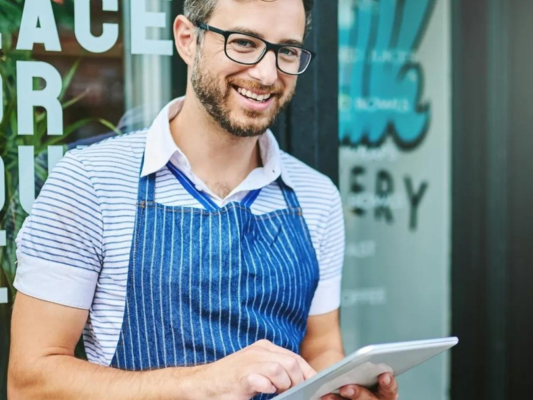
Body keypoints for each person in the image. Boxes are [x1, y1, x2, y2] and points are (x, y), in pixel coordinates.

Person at [8, 0, 399, 399]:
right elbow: (30, 382)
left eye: (287, 50)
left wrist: (344, 389)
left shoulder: (317, 196)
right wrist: (206, 383)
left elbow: (320, 349)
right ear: (187, 40)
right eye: (244, 42)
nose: (266, 73)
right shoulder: (90, 180)